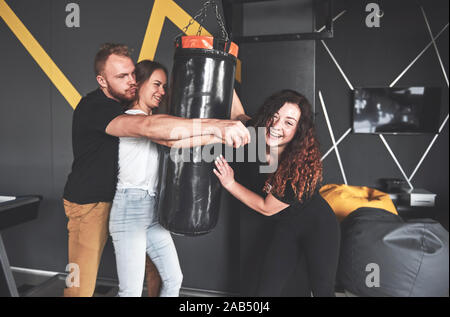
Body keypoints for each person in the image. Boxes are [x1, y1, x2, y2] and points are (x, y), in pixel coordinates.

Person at [62, 43, 249, 297]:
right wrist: (217, 127)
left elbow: (175, 138)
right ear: (101, 81)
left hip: (146, 207)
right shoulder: (105, 109)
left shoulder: (132, 106)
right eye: (122, 77)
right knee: (81, 289)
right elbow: (153, 130)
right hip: (91, 204)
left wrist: (221, 131)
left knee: (169, 278)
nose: (131, 81)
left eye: (133, 74)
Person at [213, 90, 340, 296]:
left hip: (318, 226)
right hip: (286, 226)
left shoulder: (299, 167)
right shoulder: (257, 133)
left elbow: (266, 208)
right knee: (265, 291)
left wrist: (230, 183)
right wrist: (223, 69)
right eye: (274, 116)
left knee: (323, 291)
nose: (277, 125)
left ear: (299, 130)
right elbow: (237, 115)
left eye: (289, 123)